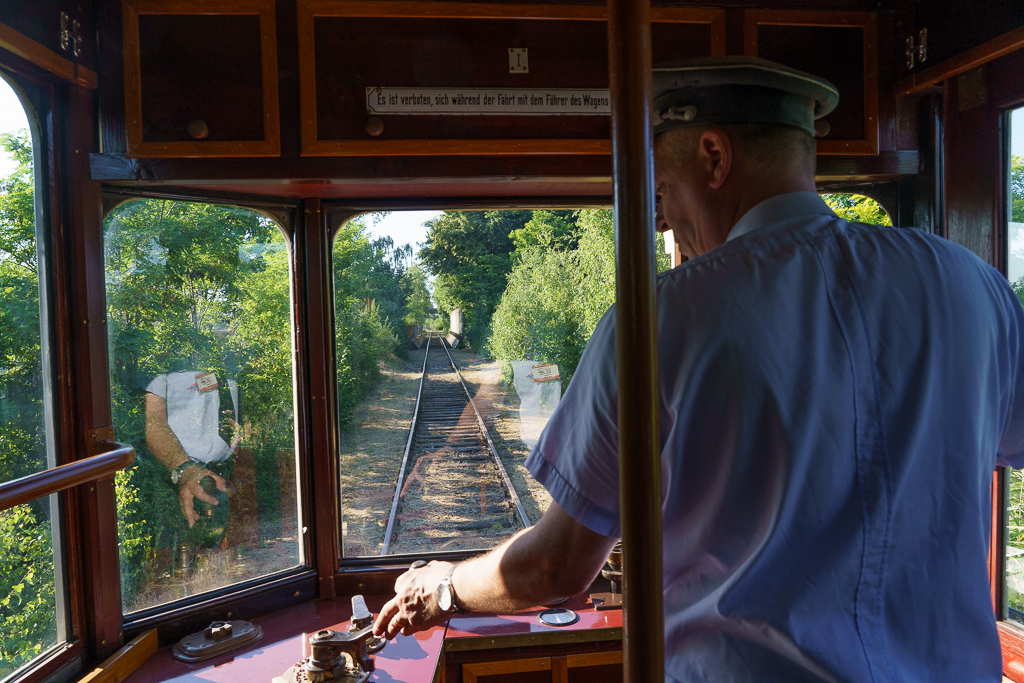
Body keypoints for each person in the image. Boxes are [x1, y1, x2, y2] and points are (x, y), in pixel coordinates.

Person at [373, 55, 1024, 682]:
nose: (658, 216)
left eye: (662, 188)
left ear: (713, 156)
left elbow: (557, 564)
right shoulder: (973, 286)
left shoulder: (662, 318)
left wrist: (443, 586)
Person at [145, 369, 252, 538]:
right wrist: (186, 469)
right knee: (179, 555)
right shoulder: (164, 361)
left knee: (224, 557)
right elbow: (152, 421)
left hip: (222, 477)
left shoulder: (228, 356)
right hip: (179, 479)